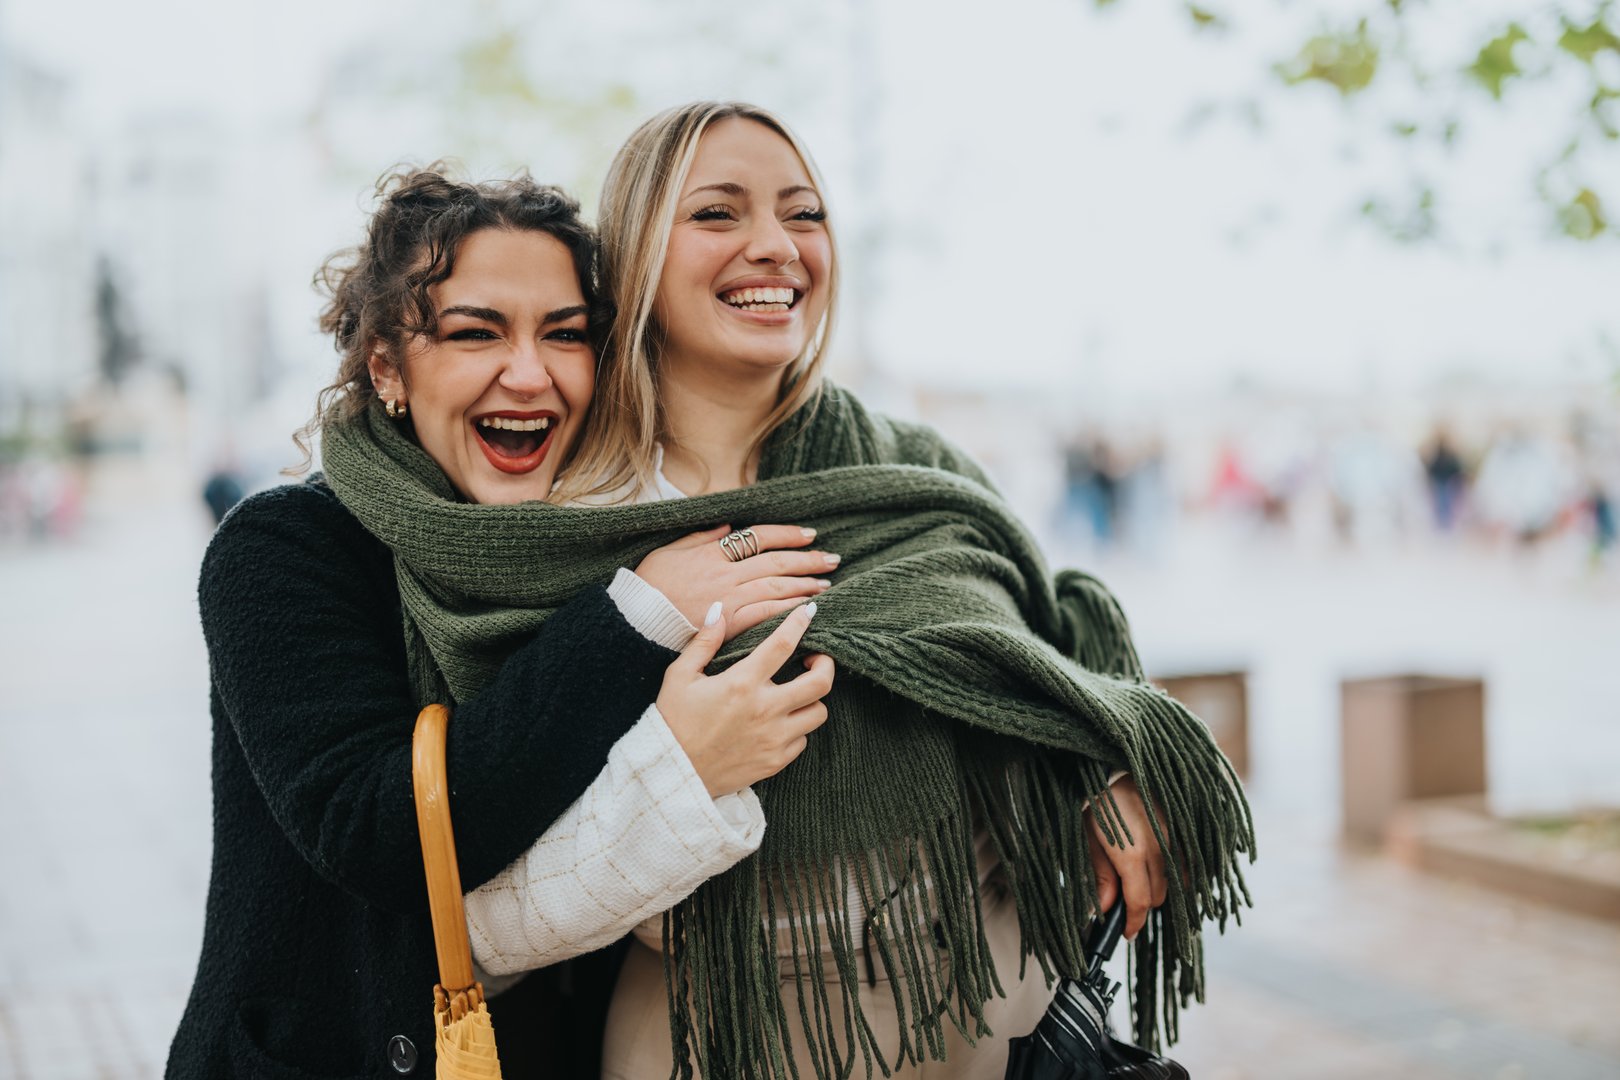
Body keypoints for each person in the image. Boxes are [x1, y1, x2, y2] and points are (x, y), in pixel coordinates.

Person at [453, 102, 1252, 1079]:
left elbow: (1051, 639)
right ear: (629, 259)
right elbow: (481, 856)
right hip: (718, 1035)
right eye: (717, 214)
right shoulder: (560, 518)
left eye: (804, 214)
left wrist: (1107, 761)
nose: (774, 246)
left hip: (995, 1011)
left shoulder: (918, 471)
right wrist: (678, 754)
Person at [167, 169, 842, 1078]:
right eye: (475, 332)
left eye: (566, 334)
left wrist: (1104, 752)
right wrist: (637, 624)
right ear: (386, 367)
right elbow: (381, 834)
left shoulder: (597, 534)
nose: (528, 374)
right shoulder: (283, 549)